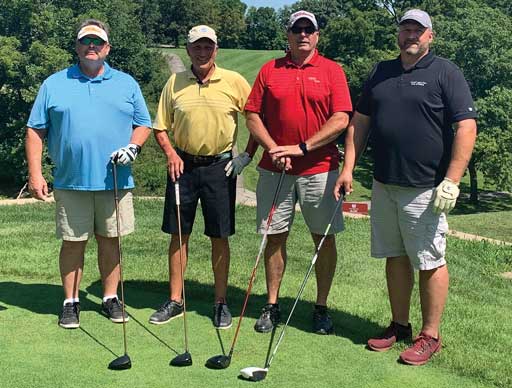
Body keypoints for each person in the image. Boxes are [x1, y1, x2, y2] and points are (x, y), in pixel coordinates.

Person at [335, 9, 477, 365]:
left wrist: (453, 180)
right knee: (394, 256)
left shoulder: (446, 72)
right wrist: (348, 167)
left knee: (429, 259)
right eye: (405, 29)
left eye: (418, 30)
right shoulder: (382, 72)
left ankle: (430, 335)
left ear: (430, 35)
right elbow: (360, 123)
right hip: (384, 183)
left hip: (426, 187)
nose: (411, 35)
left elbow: (466, 126)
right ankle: (399, 324)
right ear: (398, 35)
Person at [25, 19, 152, 329]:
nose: (91, 46)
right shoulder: (54, 83)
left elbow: (143, 123)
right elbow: (34, 130)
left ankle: (110, 297)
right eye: (86, 41)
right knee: (73, 242)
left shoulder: (126, 83)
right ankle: (71, 301)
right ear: (77, 47)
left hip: (115, 180)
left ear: (107, 47)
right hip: (71, 180)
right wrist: (35, 174)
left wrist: (133, 147)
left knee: (111, 241)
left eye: (97, 42)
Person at [245, 10, 352, 335]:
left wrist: (301, 148)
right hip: (275, 170)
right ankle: (272, 304)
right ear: (288, 35)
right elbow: (252, 115)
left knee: (323, 238)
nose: (303, 34)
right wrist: (274, 149)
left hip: (320, 169)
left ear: (317, 36)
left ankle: (321, 307)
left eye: (309, 29)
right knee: (274, 237)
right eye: (297, 29)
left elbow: (341, 119)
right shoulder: (270, 70)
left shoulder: (332, 71)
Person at [151, 25, 257, 329]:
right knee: (178, 233)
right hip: (182, 165)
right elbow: (160, 126)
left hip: (220, 168)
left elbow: (255, 119)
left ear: (216, 49)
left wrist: (246, 156)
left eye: (207, 46)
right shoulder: (175, 82)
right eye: (197, 46)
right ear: (188, 49)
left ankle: (220, 301)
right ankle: (175, 299)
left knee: (219, 235)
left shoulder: (234, 81)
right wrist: (171, 154)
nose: (202, 51)